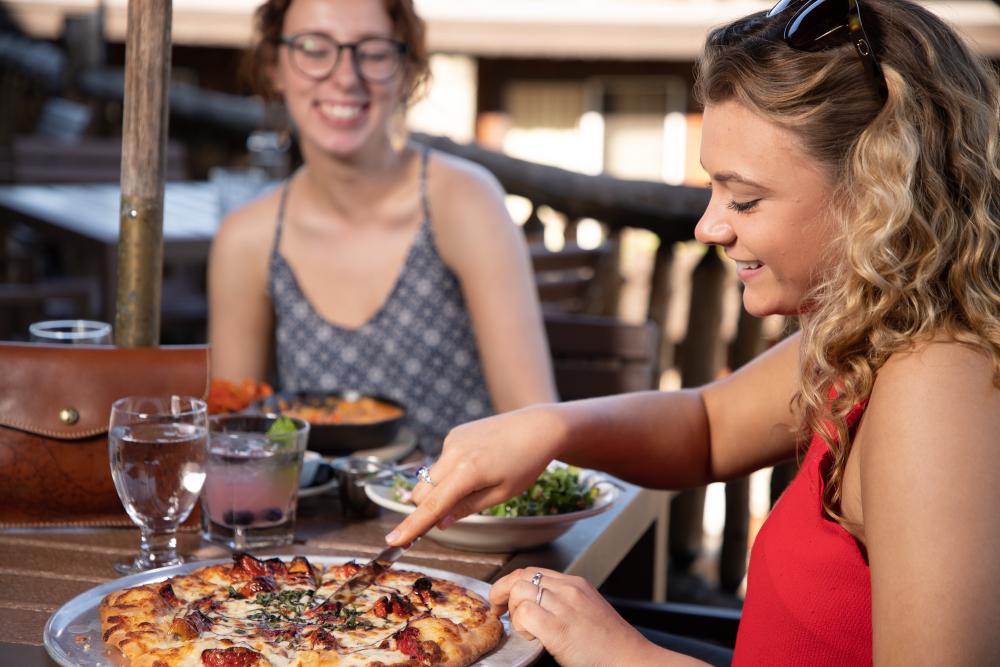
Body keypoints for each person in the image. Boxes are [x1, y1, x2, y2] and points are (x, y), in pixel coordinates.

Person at [387, 0, 1000, 664]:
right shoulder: (877, 335)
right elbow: (708, 425)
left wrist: (620, 652)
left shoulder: (939, 385)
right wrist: (547, 428)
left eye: (744, 198)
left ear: (875, 193)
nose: (709, 226)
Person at [208, 0, 556, 450]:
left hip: (465, 515)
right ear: (274, 66)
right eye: (314, 48)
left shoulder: (462, 202)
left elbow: (533, 424)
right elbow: (235, 439)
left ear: (407, 70)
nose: (345, 75)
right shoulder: (248, 239)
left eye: (372, 51)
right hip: (315, 519)